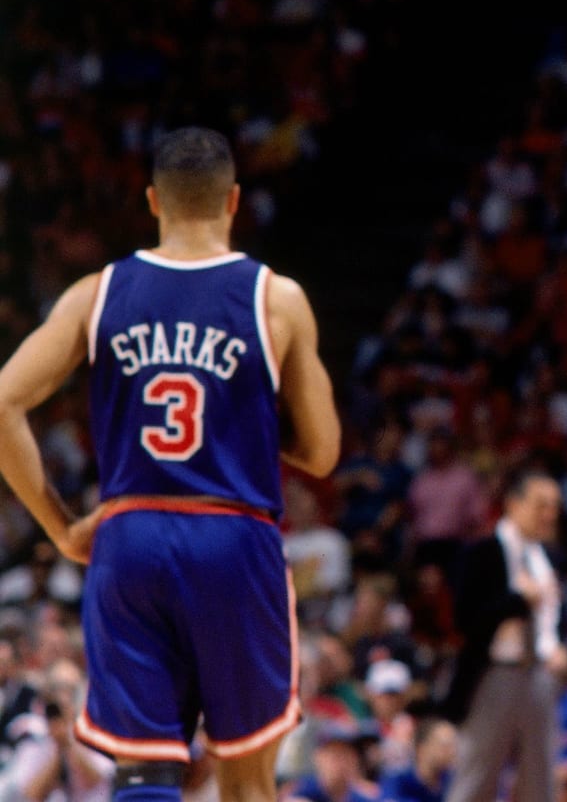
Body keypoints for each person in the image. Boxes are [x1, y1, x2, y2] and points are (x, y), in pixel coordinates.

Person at [0, 127, 341, 802]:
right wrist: (238, 428)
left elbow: (4, 400)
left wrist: (63, 527)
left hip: (130, 537)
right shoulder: (276, 298)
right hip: (232, 536)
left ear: (153, 200)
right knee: (247, 777)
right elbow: (324, 451)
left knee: (145, 768)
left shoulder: (96, 293)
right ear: (233, 200)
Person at [442, 470, 565, 802]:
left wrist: (555, 647)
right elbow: (463, 621)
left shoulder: (547, 557)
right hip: (492, 674)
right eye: (541, 505)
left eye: (554, 506)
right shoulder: (481, 552)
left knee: (540, 781)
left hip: (539, 674)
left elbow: (550, 620)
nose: (550, 514)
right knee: (476, 776)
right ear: (514, 504)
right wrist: (519, 600)